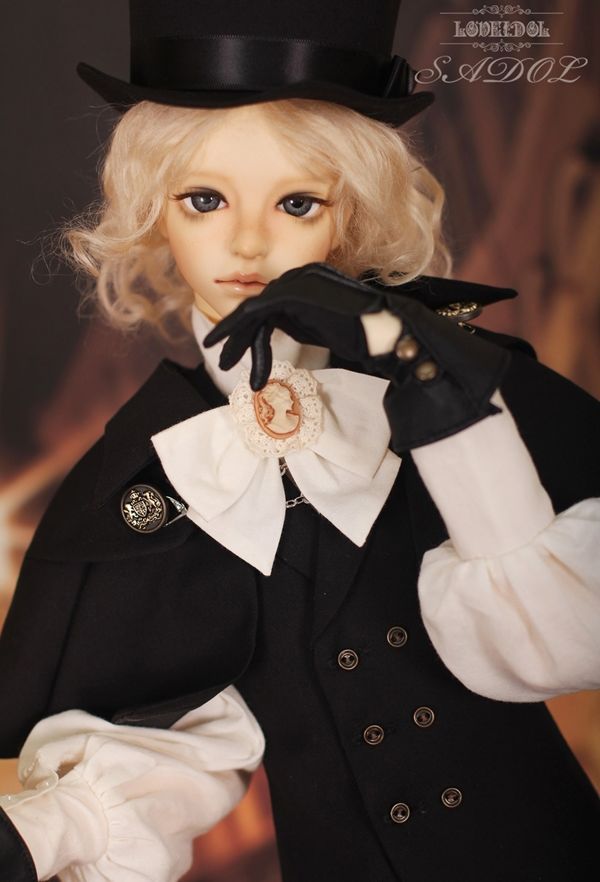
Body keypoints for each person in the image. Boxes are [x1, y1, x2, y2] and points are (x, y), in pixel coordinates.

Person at [1, 1, 599, 881]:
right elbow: (189, 736)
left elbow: (559, 644)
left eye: (297, 202)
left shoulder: (463, 390)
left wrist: (425, 382)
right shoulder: (150, 474)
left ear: (348, 213)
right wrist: (41, 835)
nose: (248, 241)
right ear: (154, 211)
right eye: (204, 200)